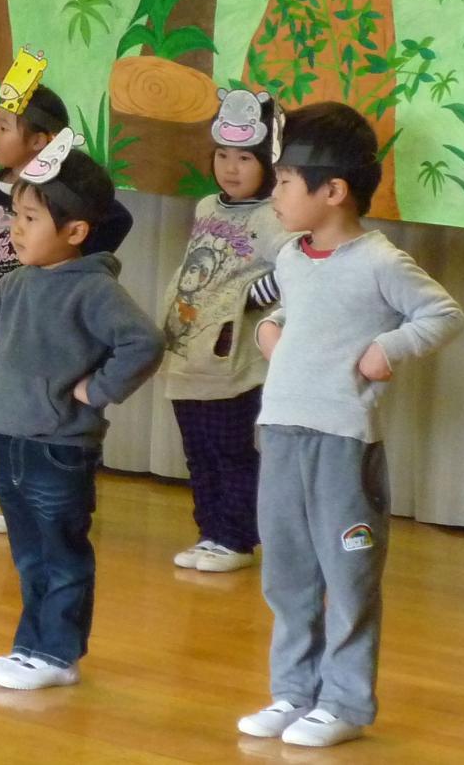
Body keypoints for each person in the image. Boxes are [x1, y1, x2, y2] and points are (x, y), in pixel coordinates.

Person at [238, 101, 464, 747]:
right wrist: (269, 329)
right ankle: (293, 693)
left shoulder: (380, 261)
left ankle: (343, 702)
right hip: (279, 433)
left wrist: (386, 350)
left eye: (282, 181)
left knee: (348, 577)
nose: (273, 191)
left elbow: (443, 315)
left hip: (341, 446)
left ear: (332, 190)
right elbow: (291, 314)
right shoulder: (288, 258)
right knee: (287, 575)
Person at [0, 134, 164, 690]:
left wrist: (96, 391)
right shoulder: (16, 284)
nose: (16, 229)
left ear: (75, 231)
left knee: (60, 554)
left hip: (60, 450)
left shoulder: (94, 290)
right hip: (8, 443)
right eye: (16, 215)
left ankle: (55, 654)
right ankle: (30, 646)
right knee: (29, 556)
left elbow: (143, 343)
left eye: (30, 218)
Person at [162, 90, 291, 572]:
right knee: (197, 451)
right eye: (222, 155)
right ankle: (209, 532)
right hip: (190, 351)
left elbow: (298, 264)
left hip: (234, 361)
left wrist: (258, 296)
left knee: (230, 450)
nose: (230, 168)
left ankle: (235, 537)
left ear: (269, 161)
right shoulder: (206, 208)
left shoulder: (274, 215)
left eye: (244, 158)